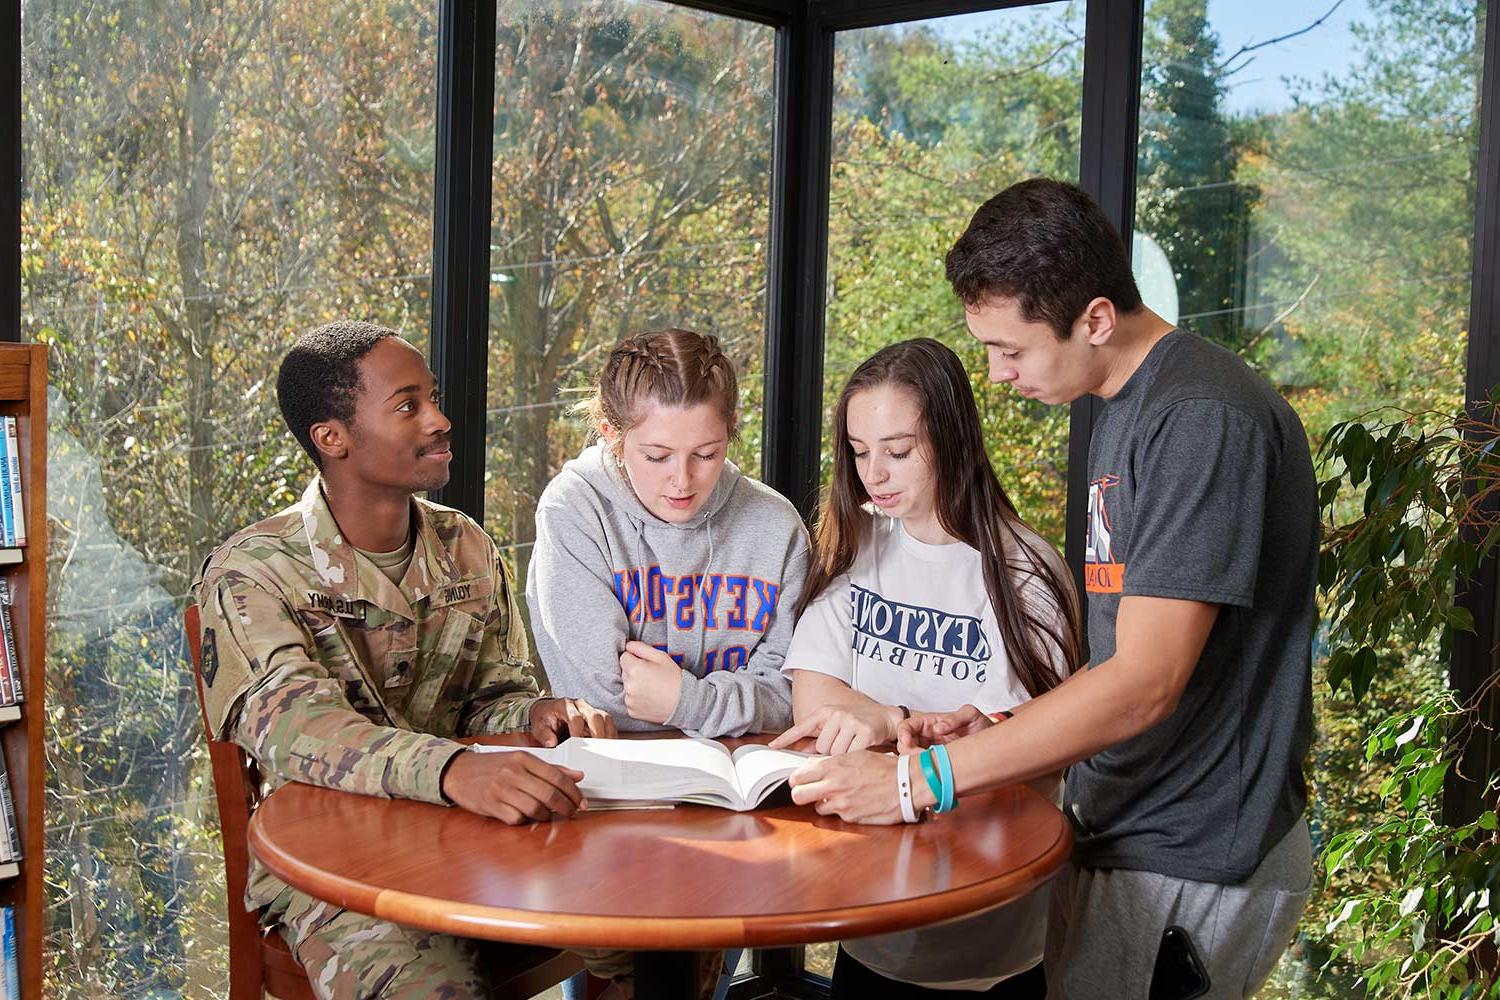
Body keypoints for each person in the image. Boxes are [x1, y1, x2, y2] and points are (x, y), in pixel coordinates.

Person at [788, 179, 1318, 1000]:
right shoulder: (1126, 408)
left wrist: (916, 782)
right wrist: (1002, 722)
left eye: (1013, 350)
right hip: (1123, 830)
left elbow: (1145, 684)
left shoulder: (1201, 419)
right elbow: (1120, 660)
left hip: (1191, 848)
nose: (997, 376)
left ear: (1097, 319)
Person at [192, 320, 616, 999]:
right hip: (333, 864)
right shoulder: (252, 574)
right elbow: (300, 733)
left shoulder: (466, 545)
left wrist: (538, 715)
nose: (440, 419)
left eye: (434, 397)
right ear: (332, 438)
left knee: (661, 935)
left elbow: (491, 698)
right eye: (408, 405)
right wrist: (451, 771)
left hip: (475, 835)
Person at [768, 338, 1081, 998]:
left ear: (951, 438)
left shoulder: (1025, 575)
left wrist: (884, 728)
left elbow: (1039, 751)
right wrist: (895, 722)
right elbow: (813, 699)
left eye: (898, 451)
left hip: (986, 946)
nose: (874, 474)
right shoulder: (860, 548)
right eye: (859, 453)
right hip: (870, 925)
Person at [526, 327, 809, 739]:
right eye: (657, 457)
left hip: (745, 771)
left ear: (731, 429)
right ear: (612, 436)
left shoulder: (777, 526)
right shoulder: (574, 511)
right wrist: (739, 707)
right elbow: (601, 701)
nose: (682, 480)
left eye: (707, 454)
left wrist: (685, 701)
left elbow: (790, 696)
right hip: (617, 768)